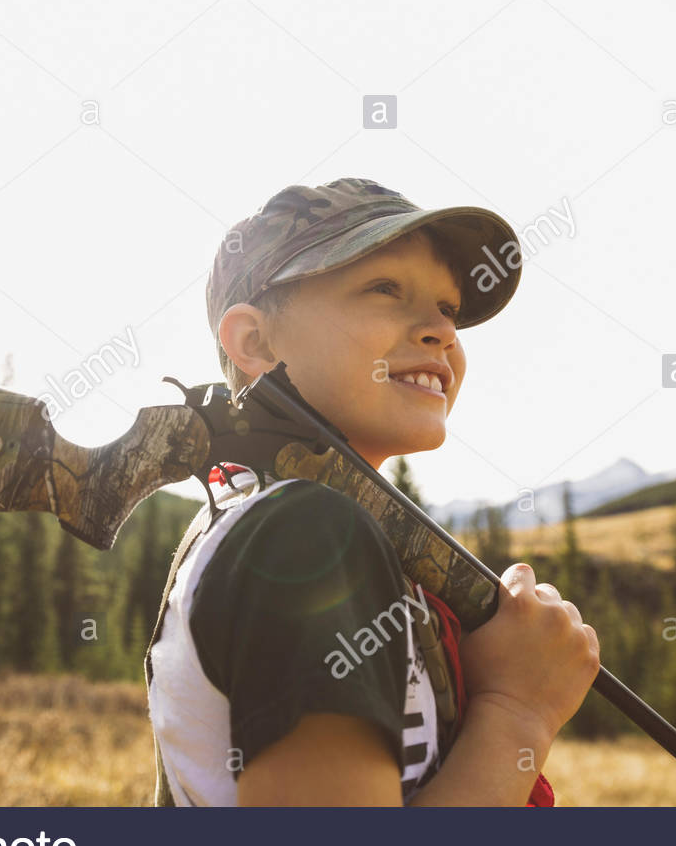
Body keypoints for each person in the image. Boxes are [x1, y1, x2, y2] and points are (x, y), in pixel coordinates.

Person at [144, 178, 600, 806]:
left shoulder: (274, 515)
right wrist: (520, 711)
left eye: (449, 308)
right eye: (385, 289)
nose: (441, 330)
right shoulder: (306, 533)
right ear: (254, 342)